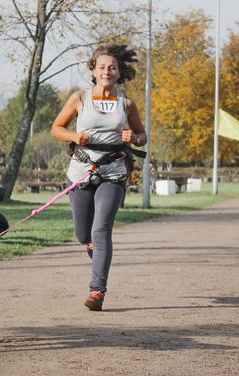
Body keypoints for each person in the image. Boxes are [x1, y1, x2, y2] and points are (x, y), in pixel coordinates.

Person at [51, 44, 147, 311]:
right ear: (93, 71)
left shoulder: (127, 104)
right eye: (102, 67)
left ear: (119, 72)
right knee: (84, 234)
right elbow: (57, 128)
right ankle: (92, 246)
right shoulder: (80, 98)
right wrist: (74, 136)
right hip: (81, 172)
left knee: (101, 229)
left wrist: (134, 137)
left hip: (113, 172)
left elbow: (142, 136)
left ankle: (97, 291)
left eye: (112, 67)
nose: (107, 71)